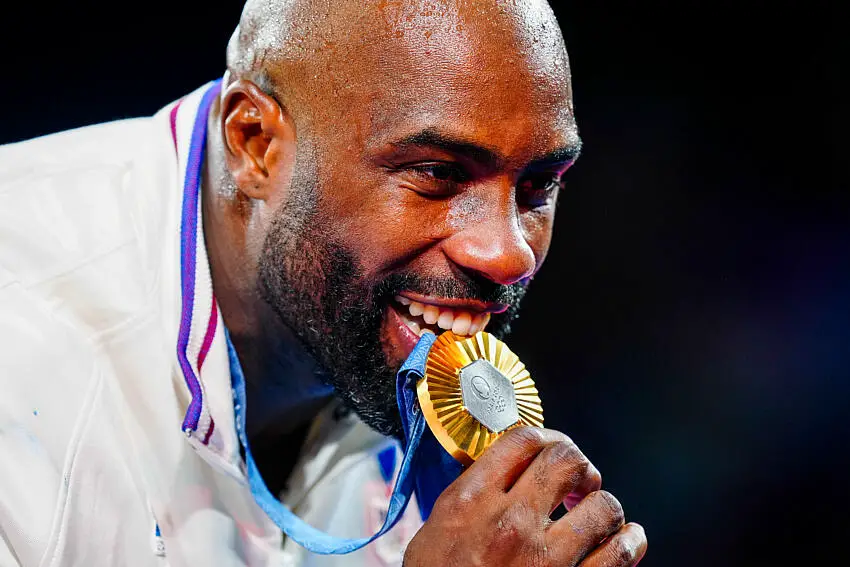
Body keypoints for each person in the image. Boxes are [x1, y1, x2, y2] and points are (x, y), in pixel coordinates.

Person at [0, 0, 647, 565]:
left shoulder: (380, 343)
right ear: (255, 144)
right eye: (437, 174)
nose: (508, 256)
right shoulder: (22, 341)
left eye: (538, 186)